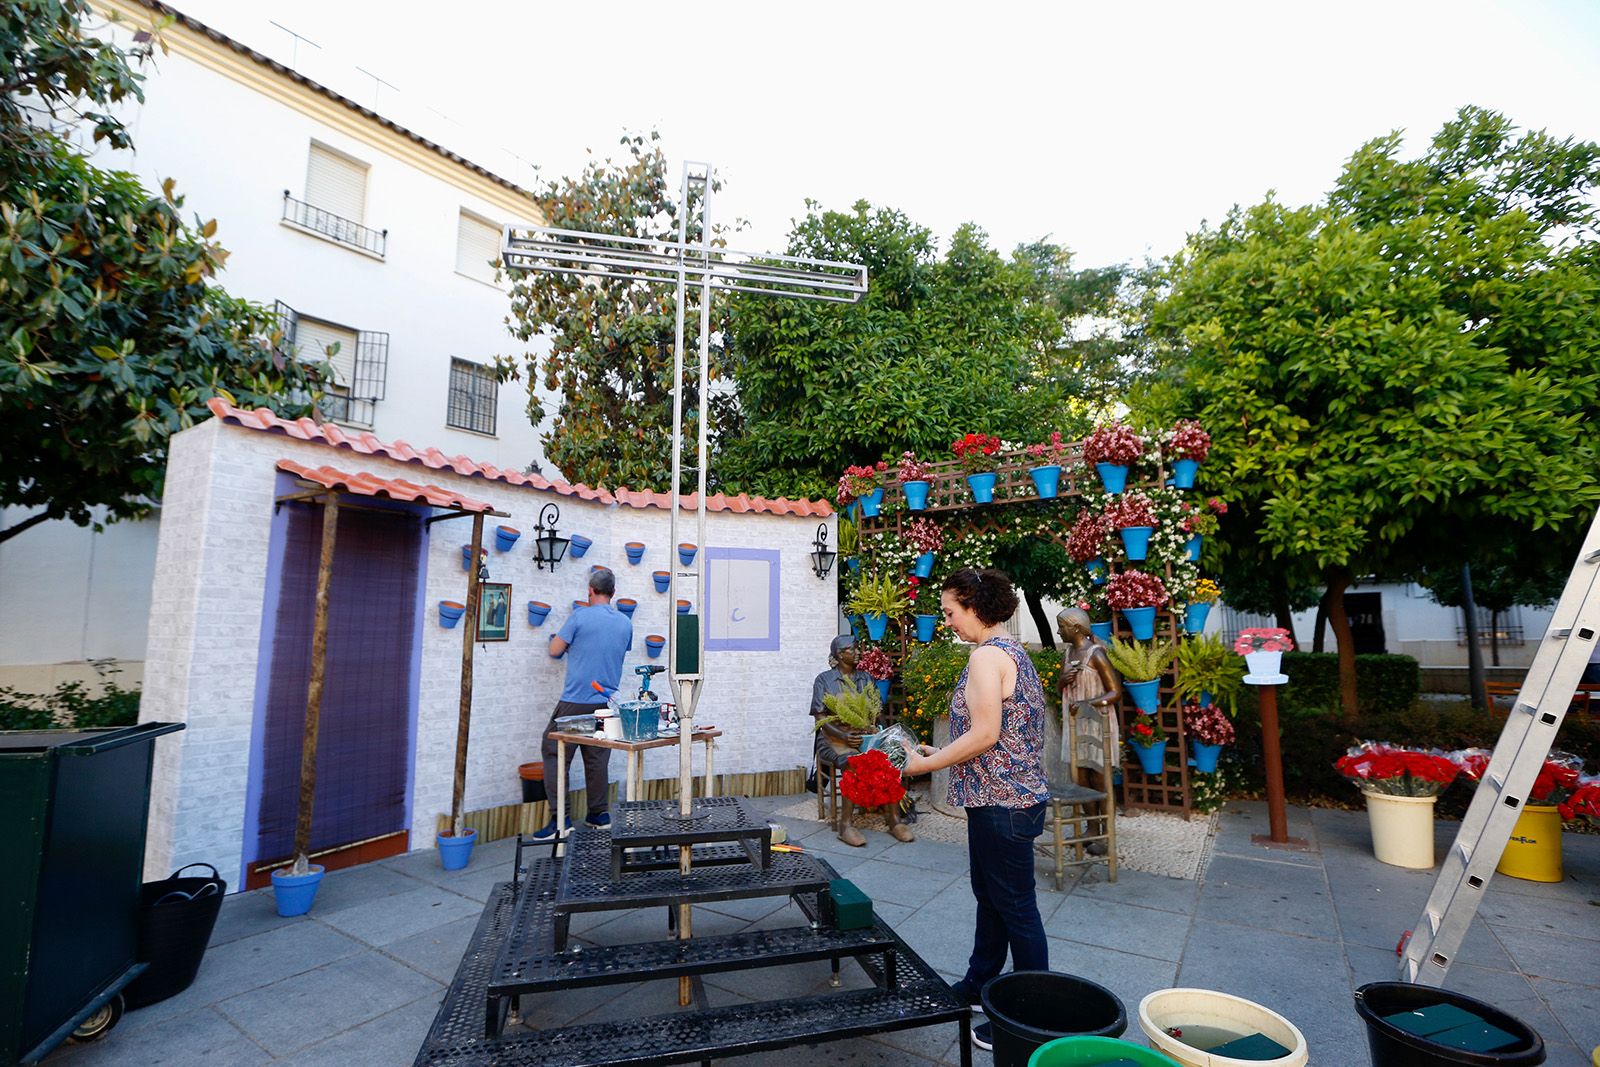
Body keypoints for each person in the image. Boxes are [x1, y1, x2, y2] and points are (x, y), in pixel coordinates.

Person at [903, 567, 1048, 1051]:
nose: (946, 621)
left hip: (1004, 804)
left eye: (949, 611)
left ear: (973, 604)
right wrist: (934, 753)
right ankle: (978, 984)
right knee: (992, 898)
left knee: (1017, 910)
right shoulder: (1011, 651)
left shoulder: (988, 657)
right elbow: (992, 732)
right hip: (1005, 801)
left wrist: (925, 766)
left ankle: (1028, 1017)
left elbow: (985, 734)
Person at [531, 567, 633, 839]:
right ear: (613, 593)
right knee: (597, 756)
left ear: (590, 590)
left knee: (554, 751)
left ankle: (560, 823)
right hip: (606, 702)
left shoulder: (579, 616)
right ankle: (598, 815)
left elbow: (555, 651)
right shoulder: (625, 623)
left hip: (576, 700)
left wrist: (558, 640)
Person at [811, 635, 914, 846]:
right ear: (840, 655)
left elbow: (876, 709)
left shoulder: (865, 678)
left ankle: (894, 820)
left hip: (865, 736)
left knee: (890, 759)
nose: (858, 653)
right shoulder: (824, 680)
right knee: (854, 762)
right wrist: (843, 736)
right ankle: (845, 825)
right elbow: (820, 717)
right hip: (834, 740)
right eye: (853, 649)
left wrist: (878, 732)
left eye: (858, 648)